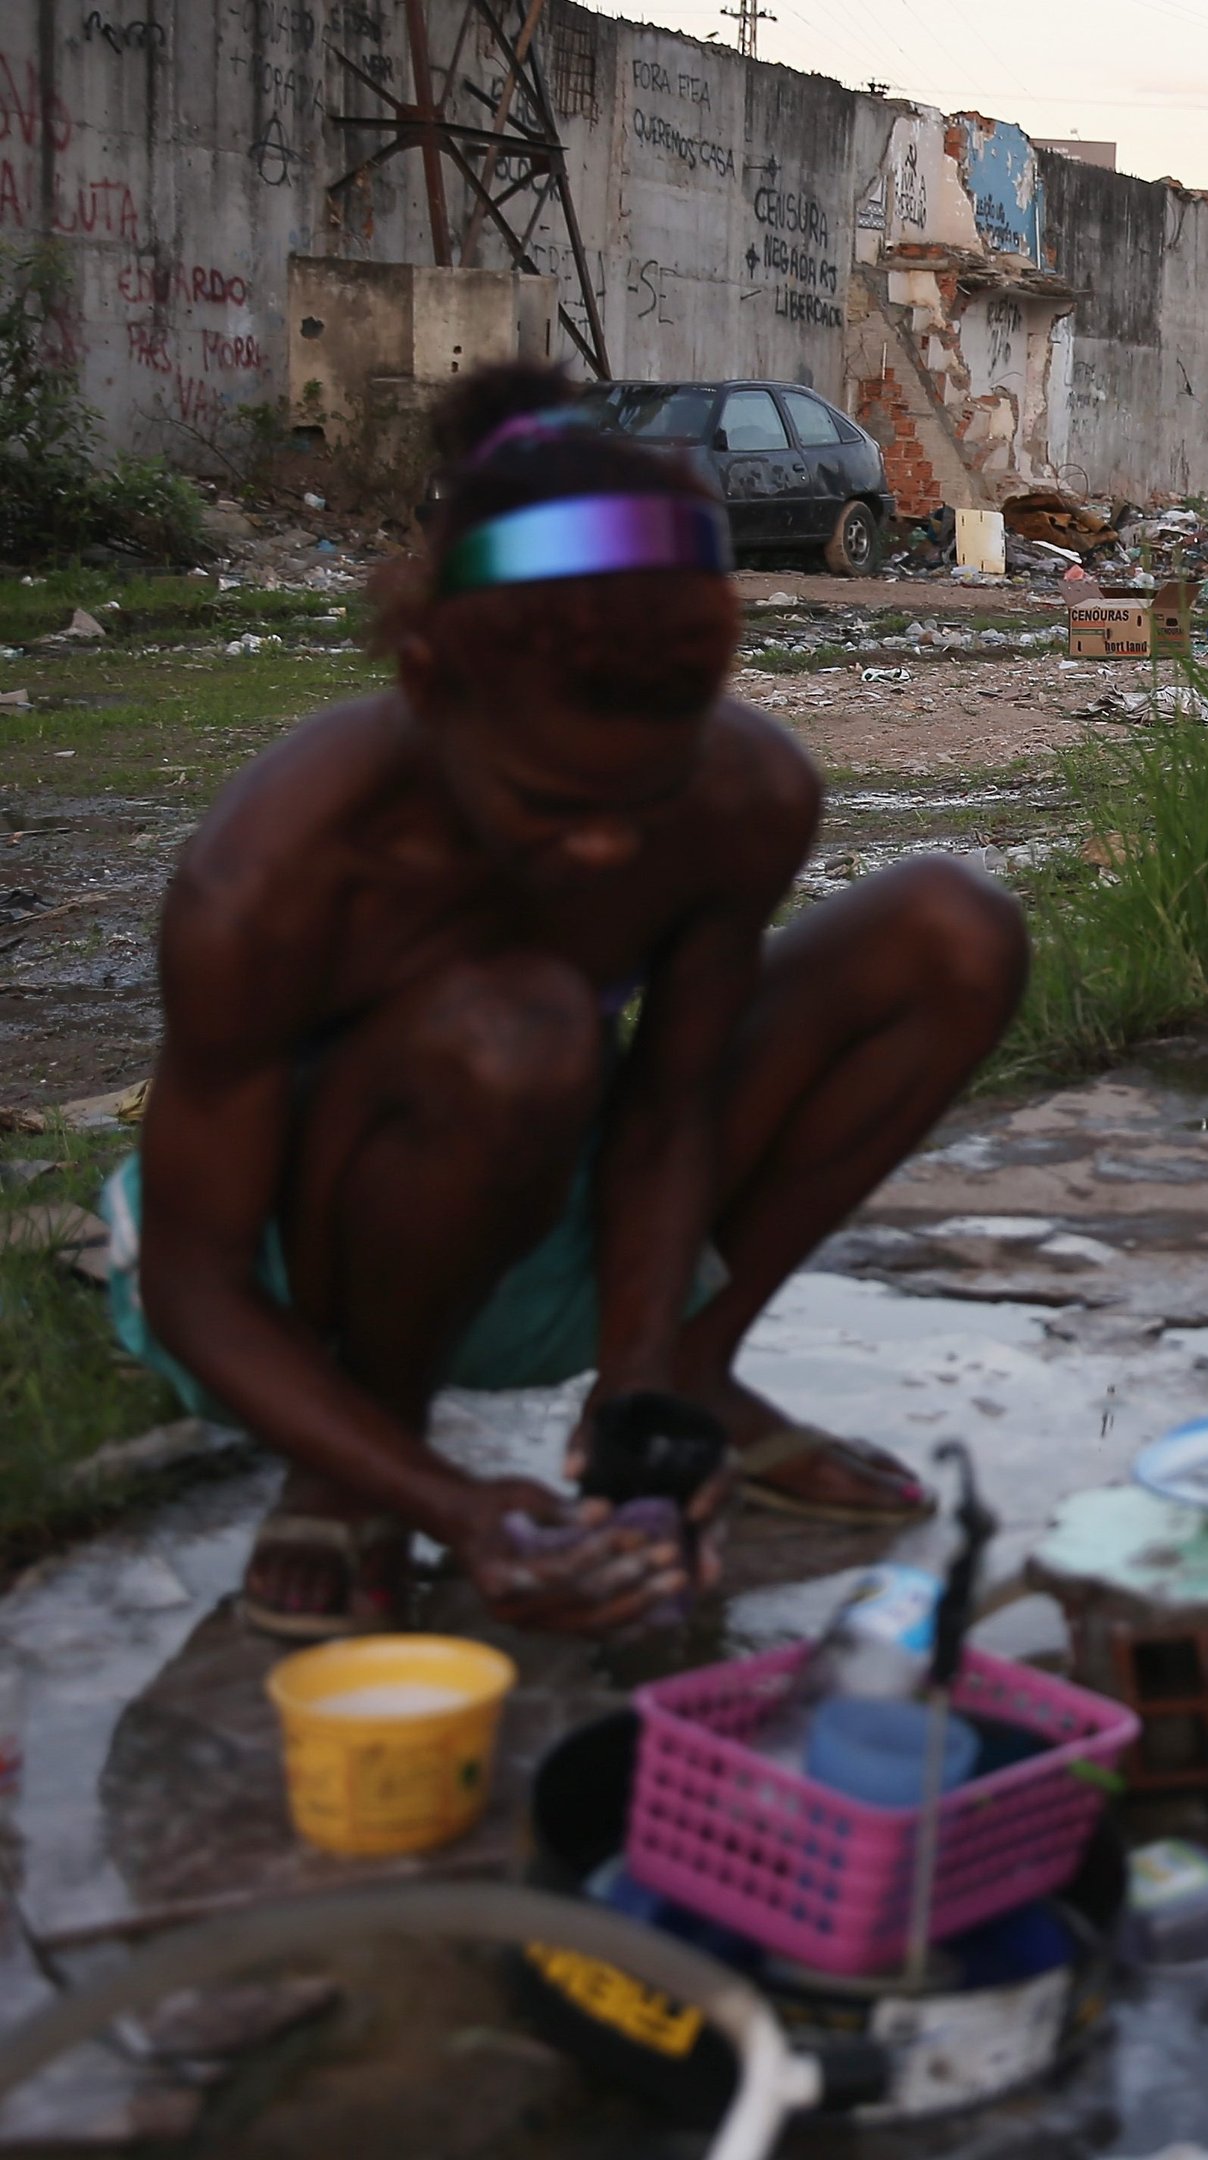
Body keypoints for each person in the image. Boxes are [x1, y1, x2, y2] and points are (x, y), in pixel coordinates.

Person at [103, 365, 1030, 1639]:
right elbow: (193, 1287)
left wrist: (643, 1394)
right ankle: (356, 1455)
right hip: (291, 1269)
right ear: (430, 686)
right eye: (550, 804)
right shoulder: (277, 871)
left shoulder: (743, 795)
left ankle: (691, 1385)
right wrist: (456, 1506)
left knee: (950, 929)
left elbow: (671, 1104)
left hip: (544, 1184)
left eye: (645, 797)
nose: (605, 852)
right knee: (521, 1025)